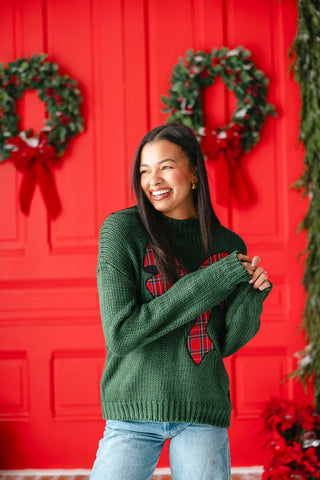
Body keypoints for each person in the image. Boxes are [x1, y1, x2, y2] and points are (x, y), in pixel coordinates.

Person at [90, 124, 272, 480]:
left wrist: (251, 299)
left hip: (202, 408)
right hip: (132, 410)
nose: (153, 179)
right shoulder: (122, 230)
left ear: (193, 173)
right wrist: (210, 281)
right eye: (144, 170)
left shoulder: (227, 243)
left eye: (165, 166)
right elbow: (121, 334)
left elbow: (223, 342)